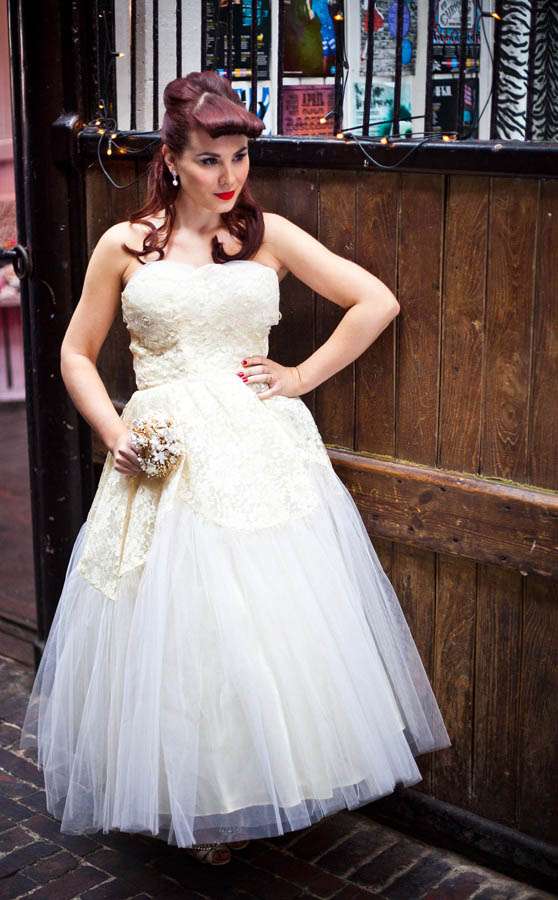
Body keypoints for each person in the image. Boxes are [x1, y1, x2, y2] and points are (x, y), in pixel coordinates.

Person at [20, 70, 451, 867]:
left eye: (240, 158)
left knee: (263, 626)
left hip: (259, 453)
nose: (230, 176)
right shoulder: (125, 244)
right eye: (210, 159)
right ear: (171, 159)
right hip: (166, 457)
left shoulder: (267, 235)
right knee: (177, 627)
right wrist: (114, 429)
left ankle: (260, 788)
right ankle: (193, 797)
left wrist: (298, 376)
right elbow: (76, 353)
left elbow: (376, 302)